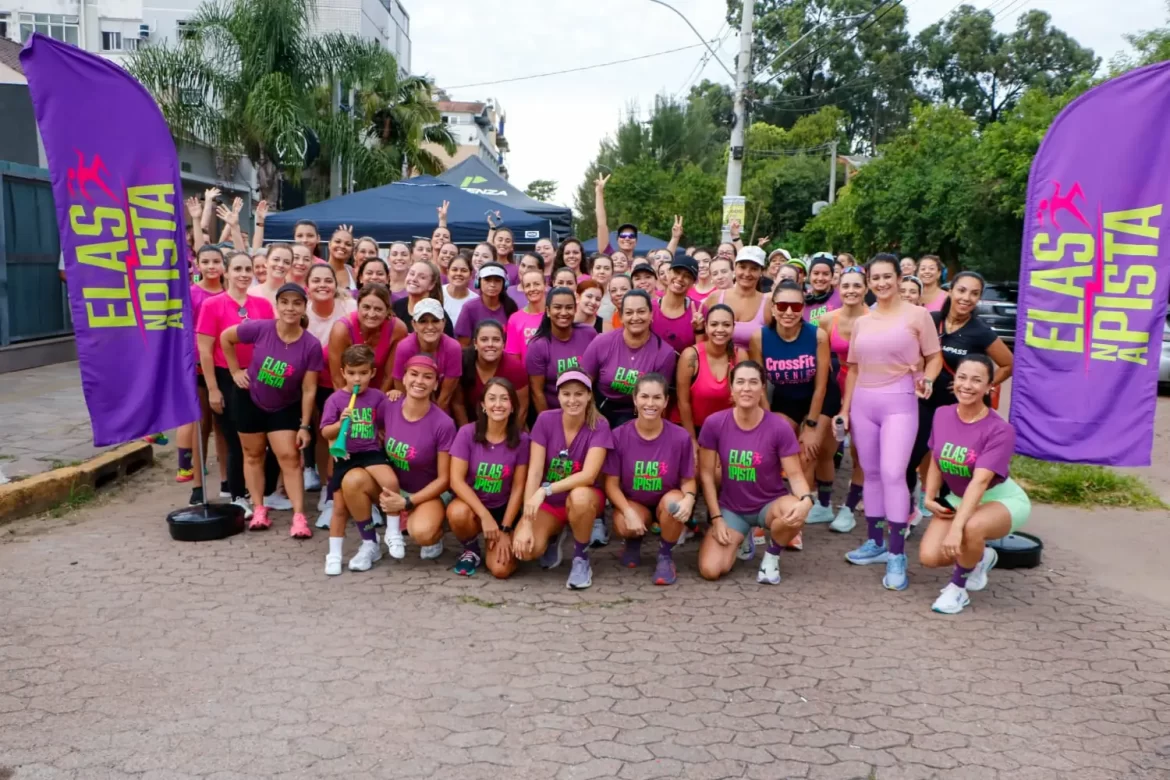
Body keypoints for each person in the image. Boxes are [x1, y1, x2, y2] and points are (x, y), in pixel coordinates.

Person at [836, 254, 942, 592]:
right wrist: (845, 409)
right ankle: (875, 543)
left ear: (899, 278)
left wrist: (927, 379)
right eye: (875, 278)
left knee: (895, 473)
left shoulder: (919, 315)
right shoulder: (863, 322)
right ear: (869, 282)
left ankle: (897, 554)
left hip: (900, 403)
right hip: (864, 404)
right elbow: (853, 368)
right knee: (872, 472)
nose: (881, 283)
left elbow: (934, 356)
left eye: (887, 277)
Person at [919, 354, 1030, 614]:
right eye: (962, 377)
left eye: (977, 380)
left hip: (1000, 499)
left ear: (990, 386)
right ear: (953, 380)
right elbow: (936, 459)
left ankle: (958, 589)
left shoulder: (1000, 430)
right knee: (930, 557)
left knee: (970, 528)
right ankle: (981, 557)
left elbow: (980, 483)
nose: (967, 385)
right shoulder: (942, 414)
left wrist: (957, 528)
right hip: (960, 497)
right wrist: (929, 496)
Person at [907, 271, 1014, 522]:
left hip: (959, 410)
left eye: (974, 293)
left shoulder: (981, 331)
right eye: (962, 290)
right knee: (908, 459)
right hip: (925, 402)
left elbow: (1009, 364)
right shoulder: (931, 320)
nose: (967, 298)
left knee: (950, 467)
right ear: (951, 291)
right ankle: (908, 513)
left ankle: (945, 520)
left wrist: (982, 386)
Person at [696, 361, 815, 584]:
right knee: (710, 570)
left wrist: (806, 500)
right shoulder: (714, 423)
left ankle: (771, 556)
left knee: (793, 511)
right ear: (731, 389)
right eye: (740, 382)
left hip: (769, 504)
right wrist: (716, 518)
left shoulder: (779, 427)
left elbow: (796, 475)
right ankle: (743, 537)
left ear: (762, 389)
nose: (746, 388)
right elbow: (706, 475)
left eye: (753, 382)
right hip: (732, 509)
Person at [221, 283, 323, 537]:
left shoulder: (311, 345)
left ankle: (299, 517)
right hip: (249, 399)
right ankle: (259, 509)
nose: (290, 308)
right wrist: (235, 370)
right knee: (252, 455)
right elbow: (226, 338)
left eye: (296, 303)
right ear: (277, 305)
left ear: (304, 307)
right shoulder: (261, 328)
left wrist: (304, 425)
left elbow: (309, 390)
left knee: (289, 458)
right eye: (285, 302)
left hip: (284, 407)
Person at [750, 281, 839, 543]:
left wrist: (811, 426)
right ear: (773, 309)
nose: (789, 311)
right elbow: (759, 383)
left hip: (820, 398)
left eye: (796, 306)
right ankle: (765, 508)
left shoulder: (817, 335)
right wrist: (765, 419)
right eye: (782, 305)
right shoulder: (760, 337)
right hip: (785, 398)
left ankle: (794, 524)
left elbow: (822, 385)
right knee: (771, 450)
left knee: (806, 455)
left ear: (803, 309)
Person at [515, 372, 613, 589]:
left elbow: (588, 475)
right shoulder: (545, 420)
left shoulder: (600, 424)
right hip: (551, 504)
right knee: (526, 551)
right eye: (566, 394)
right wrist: (526, 521)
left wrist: (545, 491)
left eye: (579, 394)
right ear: (558, 396)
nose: (572, 400)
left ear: (589, 396)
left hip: (584, 498)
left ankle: (581, 558)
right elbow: (535, 471)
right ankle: (553, 534)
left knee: (579, 497)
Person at [197, 252, 275, 514]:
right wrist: (213, 389)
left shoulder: (263, 304)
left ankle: (262, 494)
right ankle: (237, 494)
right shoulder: (212, 305)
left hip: (260, 378)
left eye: (248, 269)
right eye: (237, 269)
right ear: (226, 272)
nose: (243, 274)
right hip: (226, 377)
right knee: (234, 439)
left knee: (261, 440)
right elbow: (205, 350)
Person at [602, 374, 697, 585]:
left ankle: (665, 555)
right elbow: (611, 484)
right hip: (636, 502)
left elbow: (688, 479)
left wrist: (689, 498)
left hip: (666, 499)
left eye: (656, 398)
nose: (650, 403)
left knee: (675, 503)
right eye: (644, 396)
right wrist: (627, 511)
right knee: (623, 523)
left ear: (665, 402)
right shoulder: (618, 436)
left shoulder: (680, 437)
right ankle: (633, 541)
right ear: (635, 399)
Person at [368, 355, 457, 562]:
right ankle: (368, 542)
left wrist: (408, 502)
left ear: (435, 384)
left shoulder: (443, 424)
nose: (419, 381)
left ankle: (437, 528)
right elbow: (377, 427)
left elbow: (445, 479)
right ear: (404, 378)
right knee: (354, 479)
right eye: (414, 374)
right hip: (394, 486)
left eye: (427, 377)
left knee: (423, 534)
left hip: (428, 492)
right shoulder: (388, 405)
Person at [320, 344, 392, 576]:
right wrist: (340, 424)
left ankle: (392, 531)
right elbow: (324, 433)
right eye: (351, 373)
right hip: (346, 455)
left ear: (372, 372)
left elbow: (385, 423)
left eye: (362, 373)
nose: (357, 379)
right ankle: (334, 554)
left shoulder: (378, 397)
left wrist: (394, 398)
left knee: (388, 484)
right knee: (339, 508)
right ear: (343, 373)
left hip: (371, 453)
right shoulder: (335, 400)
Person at [447, 377, 530, 578]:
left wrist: (504, 529)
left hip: (504, 511)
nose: (498, 405)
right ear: (483, 405)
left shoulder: (522, 440)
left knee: (501, 571)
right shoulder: (467, 433)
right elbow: (456, 481)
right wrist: (484, 516)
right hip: (474, 507)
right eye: (492, 399)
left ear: (512, 407)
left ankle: (499, 543)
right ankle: (471, 549)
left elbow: (519, 488)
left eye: (504, 399)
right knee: (457, 512)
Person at [817, 266, 868, 532]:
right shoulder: (828, 320)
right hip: (836, 387)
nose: (851, 291)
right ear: (839, 289)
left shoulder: (875, 319)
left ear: (865, 289)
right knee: (826, 449)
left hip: (866, 390)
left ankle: (848, 508)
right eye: (846, 286)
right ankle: (824, 505)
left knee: (859, 454)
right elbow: (821, 359)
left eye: (857, 286)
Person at [581, 289, 678, 430]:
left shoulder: (664, 353)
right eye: (629, 312)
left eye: (641, 311)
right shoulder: (602, 342)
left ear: (651, 314)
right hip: (599, 407)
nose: (635, 317)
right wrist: (590, 412)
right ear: (620, 317)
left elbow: (658, 399)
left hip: (639, 413)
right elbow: (583, 383)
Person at [177, 245, 226, 498]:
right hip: (198, 365)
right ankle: (198, 483)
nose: (211, 266)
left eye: (216, 261)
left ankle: (227, 481)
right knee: (201, 424)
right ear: (198, 264)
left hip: (225, 365)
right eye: (205, 262)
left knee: (223, 427)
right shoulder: (192, 293)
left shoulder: (229, 291)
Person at [305, 263, 356, 508]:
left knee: (334, 433)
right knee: (317, 432)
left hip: (340, 381)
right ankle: (325, 485)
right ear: (308, 286)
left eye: (328, 280)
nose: (322, 285)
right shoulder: (302, 311)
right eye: (316, 280)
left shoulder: (349, 307)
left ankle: (334, 486)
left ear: (336, 285)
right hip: (309, 380)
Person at [676, 304, 743, 449]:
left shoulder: (740, 355)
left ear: (733, 327)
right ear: (706, 327)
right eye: (714, 324)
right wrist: (692, 440)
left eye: (726, 325)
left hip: (729, 431)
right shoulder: (690, 356)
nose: (720, 330)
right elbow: (683, 402)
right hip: (696, 429)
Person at [526, 288, 598, 414]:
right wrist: (549, 421)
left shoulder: (589, 334)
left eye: (569, 307)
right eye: (557, 307)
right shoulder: (538, 346)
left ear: (575, 309)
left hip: (586, 410)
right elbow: (537, 392)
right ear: (548, 311)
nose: (564, 312)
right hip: (554, 412)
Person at [327, 284, 406, 396]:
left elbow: (389, 376)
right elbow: (337, 378)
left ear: (388, 310)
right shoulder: (341, 330)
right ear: (358, 306)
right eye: (366, 307)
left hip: (380, 392)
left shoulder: (398, 329)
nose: (371, 314)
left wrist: (377, 404)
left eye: (378, 309)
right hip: (344, 390)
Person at [392, 298, 462, 414]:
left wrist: (430, 420)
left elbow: (445, 397)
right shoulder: (404, 348)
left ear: (443, 323)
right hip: (408, 407)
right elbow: (401, 389)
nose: (430, 326)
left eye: (435, 321)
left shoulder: (453, 348)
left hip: (440, 408)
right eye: (423, 321)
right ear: (414, 324)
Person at [454, 319, 528, 427]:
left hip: (506, 430)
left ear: (503, 343)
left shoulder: (515, 368)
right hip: (470, 428)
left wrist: (507, 438)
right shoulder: (462, 363)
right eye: (484, 340)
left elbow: (522, 409)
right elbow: (458, 404)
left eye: (496, 340)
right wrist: (467, 434)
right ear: (475, 343)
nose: (490, 344)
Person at [705, 246, 769, 351]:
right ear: (735, 267)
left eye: (754, 268)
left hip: (754, 365)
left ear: (761, 272)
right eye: (743, 267)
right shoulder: (715, 297)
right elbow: (701, 335)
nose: (747, 273)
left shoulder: (768, 303)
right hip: (717, 365)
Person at [454, 263, 518, 346]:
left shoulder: (511, 307)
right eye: (487, 280)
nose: (492, 285)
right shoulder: (469, 308)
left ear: (504, 284)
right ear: (478, 282)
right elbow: (463, 345)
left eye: (497, 280)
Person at [651, 255, 704, 353]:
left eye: (687, 276)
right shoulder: (648, 308)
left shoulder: (700, 310)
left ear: (693, 282)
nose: (680, 278)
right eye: (677, 272)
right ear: (668, 273)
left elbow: (703, 353)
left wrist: (699, 331)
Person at [393, 260, 454, 337]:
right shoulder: (397, 306)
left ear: (431, 284)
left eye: (422, 277)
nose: (414, 279)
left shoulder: (439, 316)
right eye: (412, 274)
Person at [504, 268, 547, 362]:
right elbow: (513, 357)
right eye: (528, 285)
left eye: (536, 284)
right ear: (523, 289)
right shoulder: (515, 319)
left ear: (545, 285)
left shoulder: (555, 314)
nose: (532, 289)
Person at [249, 242, 292, 306]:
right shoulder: (250, 294)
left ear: (290, 266)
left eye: (286, 262)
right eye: (276, 259)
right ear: (266, 262)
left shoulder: (295, 294)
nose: (280, 265)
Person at [803, 256, 840, 325]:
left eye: (825, 274)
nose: (820, 278)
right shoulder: (802, 299)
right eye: (816, 273)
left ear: (832, 276)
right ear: (809, 276)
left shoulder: (842, 299)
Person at [442, 253, 477, 327]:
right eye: (454, 270)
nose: (458, 273)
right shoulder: (437, 293)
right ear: (448, 272)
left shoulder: (475, 300)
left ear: (471, 275)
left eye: (464, 270)